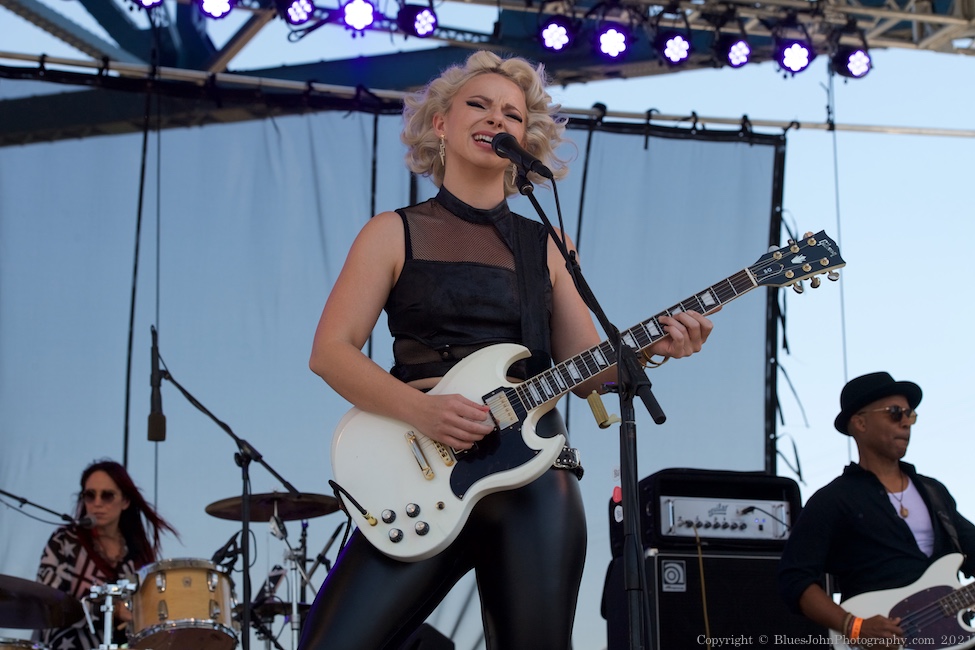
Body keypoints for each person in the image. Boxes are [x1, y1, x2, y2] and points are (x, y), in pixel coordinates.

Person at [300, 50, 714, 650]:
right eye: (479, 104)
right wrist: (422, 411)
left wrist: (656, 348)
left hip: (533, 476)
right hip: (418, 470)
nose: (497, 118)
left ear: (525, 138)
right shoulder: (391, 232)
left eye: (513, 115)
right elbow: (331, 352)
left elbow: (586, 369)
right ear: (440, 123)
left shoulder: (546, 244)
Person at [779, 372, 975, 645]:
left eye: (910, 414)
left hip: (947, 636)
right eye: (895, 413)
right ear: (859, 422)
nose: (906, 422)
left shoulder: (934, 492)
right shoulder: (833, 499)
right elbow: (794, 579)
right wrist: (854, 626)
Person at [33, 459, 178, 650]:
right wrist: (113, 611)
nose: (97, 503)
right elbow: (48, 603)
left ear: (125, 501)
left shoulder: (138, 554)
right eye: (90, 495)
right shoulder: (64, 541)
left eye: (107, 496)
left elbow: (146, 613)